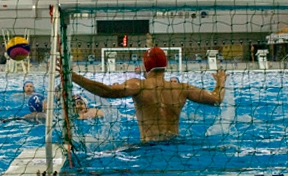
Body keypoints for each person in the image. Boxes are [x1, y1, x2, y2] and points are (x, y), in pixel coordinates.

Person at [69, 46, 226, 142]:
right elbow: (216, 98)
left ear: (145, 66)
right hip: (176, 144)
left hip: (149, 147)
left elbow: (106, 91)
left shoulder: (139, 85)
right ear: (165, 66)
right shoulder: (181, 88)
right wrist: (220, 81)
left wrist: (73, 76)